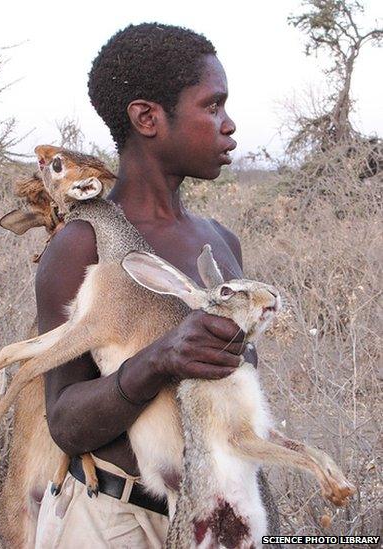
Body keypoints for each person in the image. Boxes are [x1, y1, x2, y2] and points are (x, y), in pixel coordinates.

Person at [34, 22, 276, 548]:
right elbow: (65, 423)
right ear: (147, 117)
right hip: (113, 520)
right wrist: (157, 358)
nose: (229, 125)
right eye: (212, 107)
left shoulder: (221, 243)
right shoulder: (81, 245)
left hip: (213, 519)